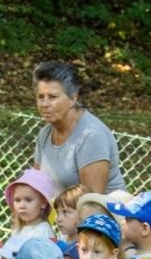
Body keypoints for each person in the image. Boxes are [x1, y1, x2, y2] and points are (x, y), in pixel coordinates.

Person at [32, 59, 126, 195]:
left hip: (98, 213)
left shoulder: (91, 136)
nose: (44, 104)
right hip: (60, 214)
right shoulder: (45, 134)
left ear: (73, 99)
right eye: (40, 97)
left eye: (52, 97)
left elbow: (91, 203)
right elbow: (35, 186)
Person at [0, 167, 58, 259]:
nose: (22, 205)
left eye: (28, 200)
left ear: (43, 203)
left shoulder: (43, 231)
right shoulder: (18, 229)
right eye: (17, 200)